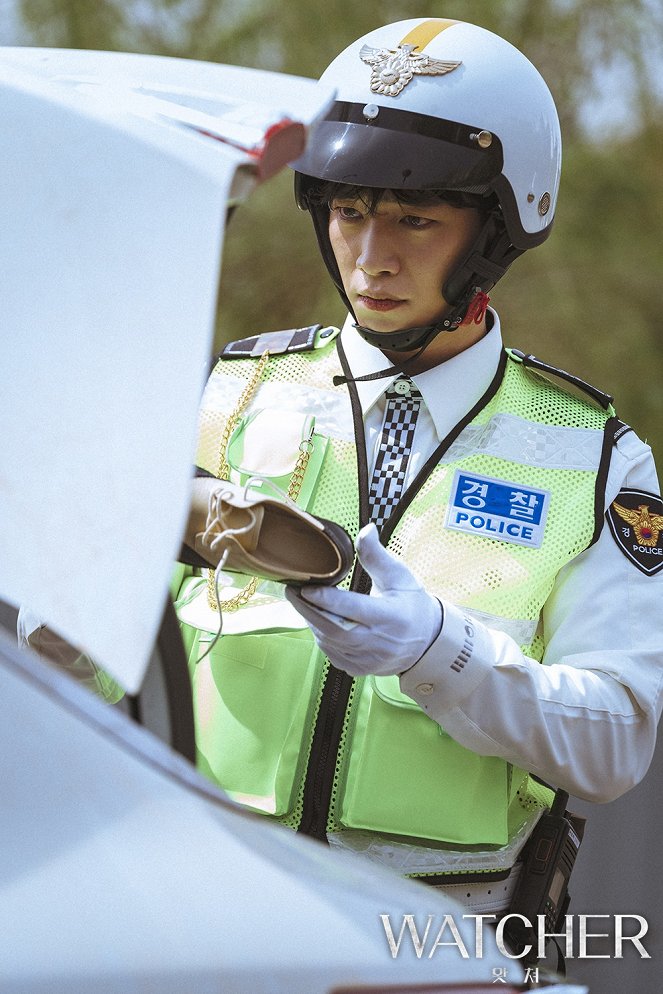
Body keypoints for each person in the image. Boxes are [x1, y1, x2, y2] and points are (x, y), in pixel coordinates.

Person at [174, 15, 663, 923]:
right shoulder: (227, 396)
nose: (370, 256)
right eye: (350, 213)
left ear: (496, 232)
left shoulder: (593, 455)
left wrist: (440, 654)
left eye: (414, 219)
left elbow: (615, 745)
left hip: (433, 941)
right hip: (199, 911)